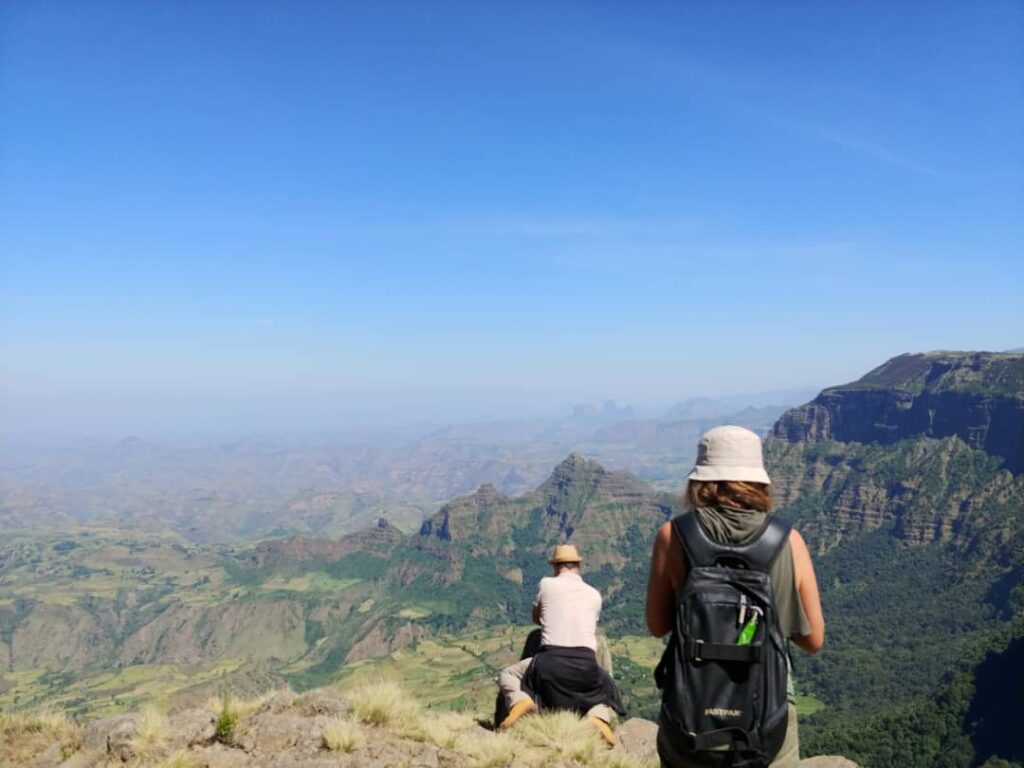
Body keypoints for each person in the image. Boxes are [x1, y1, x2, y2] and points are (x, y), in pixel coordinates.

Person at [646, 425, 825, 768]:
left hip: (690, 710)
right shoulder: (788, 541)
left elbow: (657, 625)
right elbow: (814, 639)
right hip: (767, 716)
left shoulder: (673, 535)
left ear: (701, 481)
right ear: (758, 481)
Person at [496, 544, 625, 745]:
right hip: (586, 666)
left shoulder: (546, 585)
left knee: (508, 674)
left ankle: (521, 702)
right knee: (605, 687)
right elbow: (589, 623)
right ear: (578, 566)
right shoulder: (594, 594)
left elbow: (537, 618)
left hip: (550, 663)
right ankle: (598, 717)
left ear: (556, 566)